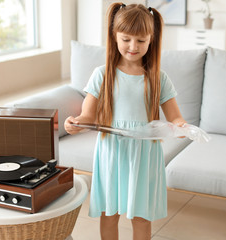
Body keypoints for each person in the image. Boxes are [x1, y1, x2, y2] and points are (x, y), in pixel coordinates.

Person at [64, 3, 186, 240]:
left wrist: (181, 126)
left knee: (141, 217)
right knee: (109, 213)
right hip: (112, 153)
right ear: (114, 37)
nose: (133, 46)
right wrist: (75, 124)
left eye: (141, 40)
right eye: (126, 39)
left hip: (144, 156)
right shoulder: (102, 74)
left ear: (151, 39)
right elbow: (87, 117)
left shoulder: (159, 78)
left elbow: (175, 116)